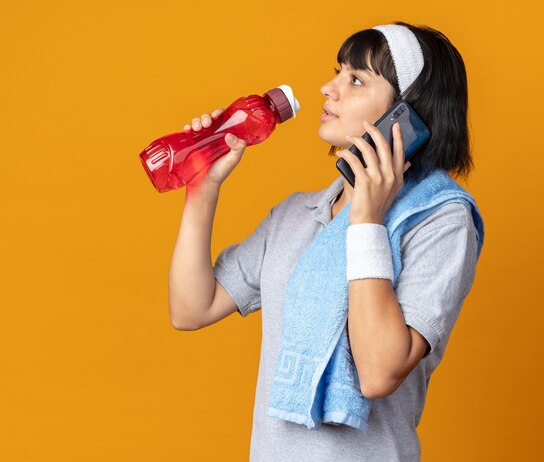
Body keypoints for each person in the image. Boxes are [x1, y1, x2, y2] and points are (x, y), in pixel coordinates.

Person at [169, 21, 481, 462]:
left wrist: (367, 220)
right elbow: (190, 308)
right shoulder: (296, 215)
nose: (327, 89)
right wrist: (203, 189)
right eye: (337, 73)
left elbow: (377, 373)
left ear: (405, 116)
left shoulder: (439, 220)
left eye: (355, 80)